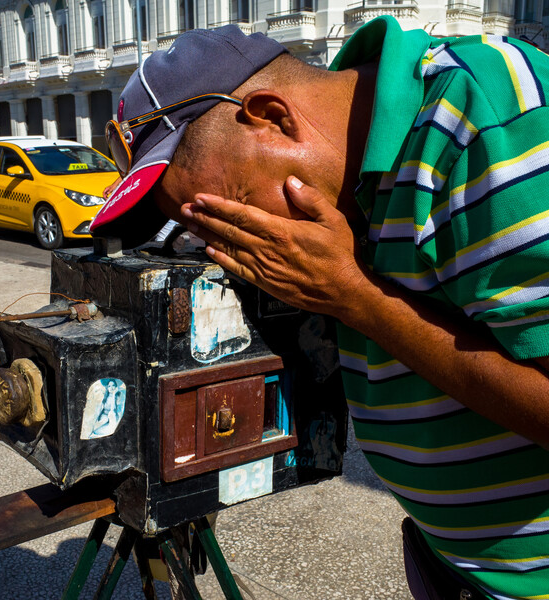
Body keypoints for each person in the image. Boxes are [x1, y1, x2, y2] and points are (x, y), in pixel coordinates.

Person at [90, 20, 549, 599]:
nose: (233, 240)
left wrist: (357, 299)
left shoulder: (486, 122)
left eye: (230, 207)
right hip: (451, 568)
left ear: (273, 116)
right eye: (196, 227)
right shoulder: (359, 169)